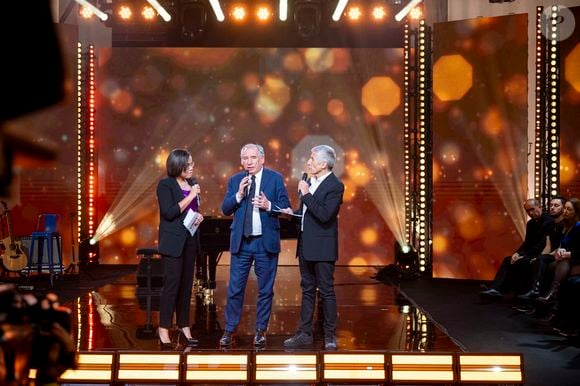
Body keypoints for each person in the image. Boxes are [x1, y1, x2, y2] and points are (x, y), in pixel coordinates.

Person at [220, 143, 290, 347]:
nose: (248, 162)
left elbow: (286, 208)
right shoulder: (235, 180)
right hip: (241, 243)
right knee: (234, 289)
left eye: (252, 158)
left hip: (264, 242)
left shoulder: (275, 178)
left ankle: (261, 330)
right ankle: (230, 329)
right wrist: (239, 195)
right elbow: (225, 209)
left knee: (265, 290)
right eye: (245, 158)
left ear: (262, 159)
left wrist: (269, 206)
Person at [282, 145, 344, 350]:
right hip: (306, 245)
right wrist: (292, 213)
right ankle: (304, 333)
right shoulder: (310, 181)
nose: (308, 162)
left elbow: (325, 215)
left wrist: (306, 194)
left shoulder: (335, 186)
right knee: (307, 290)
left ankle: (329, 335)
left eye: (312, 158)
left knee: (326, 291)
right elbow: (308, 213)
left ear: (324, 164)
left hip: (323, 246)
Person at [156, 148, 204, 348]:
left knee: (186, 286)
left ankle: (184, 325)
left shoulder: (191, 183)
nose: (192, 167)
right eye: (189, 164)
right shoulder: (165, 185)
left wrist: (199, 216)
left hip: (190, 240)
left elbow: (192, 211)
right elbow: (169, 212)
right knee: (172, 286)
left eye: (192, 163)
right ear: (178, 164)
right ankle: (164, 328)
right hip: (173, 242)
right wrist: (191, 195)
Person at [480, 198, 555, 298]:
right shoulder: (530, 223)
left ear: (540, 206)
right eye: (528, 211)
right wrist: (518, 253)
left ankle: (503, 289)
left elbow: (542, 244)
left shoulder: (548, 221)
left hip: (541, 254)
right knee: (508, 259)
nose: (530, 213)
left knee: (518, 262)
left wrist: (524, 255)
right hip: (531, 253)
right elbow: (527, 243)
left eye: (532, 209)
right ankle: (495, 288)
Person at [517, 196, 567, 300]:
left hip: (564, 254)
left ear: (563, 208)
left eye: (556, 205)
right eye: (551, 205)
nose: (552, 208)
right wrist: (541, 256)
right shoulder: (552, 223)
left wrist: (543, 257)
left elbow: (561, 246)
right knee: (535, 260)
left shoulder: (565, 224)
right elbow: (548, 244)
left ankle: (535, 291)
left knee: (540, 260)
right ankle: (528, 296)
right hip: (552, 253)